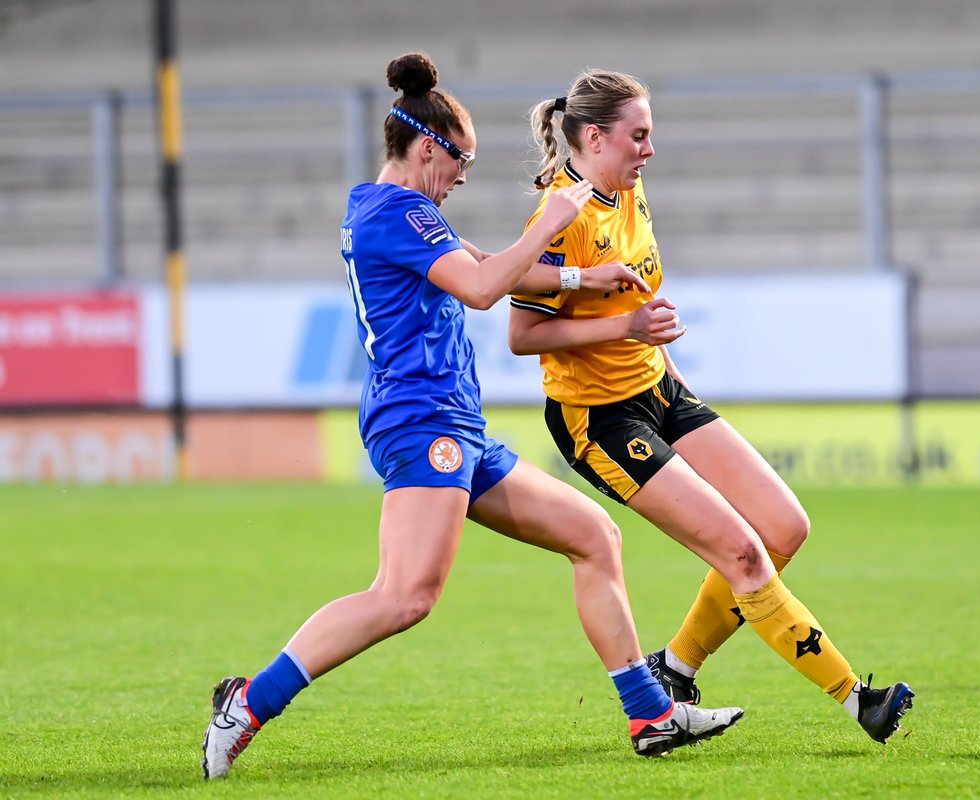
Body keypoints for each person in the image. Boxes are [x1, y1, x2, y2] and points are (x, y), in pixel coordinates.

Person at [200, 53, 745, 780]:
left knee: (593, 535)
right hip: (419, 421)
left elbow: (487, 261)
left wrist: (581, 275)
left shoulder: (402, 210)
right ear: (430, 147)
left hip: (454, 422)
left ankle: (648, 711)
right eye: (462, 161)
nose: (464, 176)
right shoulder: (395, 213)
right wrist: (555, 219)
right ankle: (249, 701)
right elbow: (486, 289)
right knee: (404, 596)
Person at [508, 69, 914, 745]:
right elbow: (522, 336)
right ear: (594, 137)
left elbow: (636, 302)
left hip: (660, 389)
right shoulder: (561, 219)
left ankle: (675, 667)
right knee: (745, 555)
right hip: (599, 419)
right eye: (639, 136)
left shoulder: (629, 191)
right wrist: (625, 329)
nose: (649, 149)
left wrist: (665, 364)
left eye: (650, 135)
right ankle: (857, 699)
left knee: (785, 527)